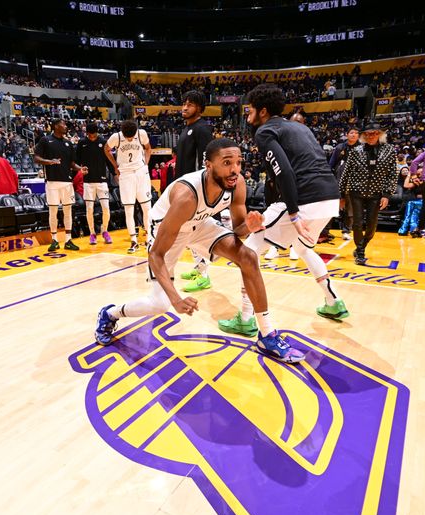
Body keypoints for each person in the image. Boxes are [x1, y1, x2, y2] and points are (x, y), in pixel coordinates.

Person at [94, 138, 304, 363]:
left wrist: (250, 227)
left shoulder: (237, 183)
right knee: (159, 304)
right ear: (209, 165)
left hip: (199, 224)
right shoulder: (187, 196)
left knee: (248, 257)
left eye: (238, 162)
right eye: (227, 163)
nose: (234, 170)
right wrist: (175, 299)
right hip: (168, 229)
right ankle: (110, 313)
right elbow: (156, 255)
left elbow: (238, 231)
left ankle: (266, 335)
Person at [218, 83, 349, 335]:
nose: (247, 115)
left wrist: (293, 212)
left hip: (304, 198)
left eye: (251, 110)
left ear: (263, 111)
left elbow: (285, 171)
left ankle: (246, 318)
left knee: (248, 252)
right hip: (329, 196)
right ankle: (333, 302)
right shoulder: (300, 127)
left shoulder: (265, 131)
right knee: (303, 247)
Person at [339, 121, 397, 265]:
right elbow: (346, 174)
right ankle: (360, 252)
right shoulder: (355, 152)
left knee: (372, 226)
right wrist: (341, 195)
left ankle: (362, 245)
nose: (371, 136)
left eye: (375, 133)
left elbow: (392, 174)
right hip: (356, 191)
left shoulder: (389, 150)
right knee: (357, 223)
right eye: (368, 133)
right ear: (363, 135)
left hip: (376, 193)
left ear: (380, 134)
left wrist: (387, 194)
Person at [174, 90, 215, 293]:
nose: (184, 107)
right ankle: (199, 268)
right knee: (190, 230)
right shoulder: (187, 128)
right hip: (184, 186)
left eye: (189, 104)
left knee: (194, 230)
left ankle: (204, 275)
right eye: (183, 103)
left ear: (199, 108)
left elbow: (207, 162)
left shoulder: (202, 129)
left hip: (196, 189)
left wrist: (202, 189)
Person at [34, 118, 87, 252]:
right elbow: (36, 158)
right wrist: (49, 161)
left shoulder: (68, 143)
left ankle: (68, 240)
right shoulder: (45, 140)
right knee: (53, 211)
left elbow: (71, 164)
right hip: (52, 181)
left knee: (68, 211)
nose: (65, 126)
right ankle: (54, 240)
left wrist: (80, 169)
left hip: (67, 182)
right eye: (63, 124)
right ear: (56, 126)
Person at [104, 119, 152, 254]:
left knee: (147, 207)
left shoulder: (142, 133)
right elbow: (106, 149)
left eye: (132, 137)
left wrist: (146, 164)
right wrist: (115, 167)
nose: (130, 139)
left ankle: (149, 238)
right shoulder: (116, 137)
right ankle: (134, 241)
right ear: (123, 133)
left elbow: (148, 148)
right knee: (129, 209)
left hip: (141, 173)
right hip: (125, 175)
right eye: (128, 137)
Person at [75, 122, 113, 245]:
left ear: (97, 133)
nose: (92, 137)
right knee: (89, 209)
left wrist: (115, 173)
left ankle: (105, 230)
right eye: (89, 135)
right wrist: (79, 169)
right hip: (88, 182)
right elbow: (76, 161)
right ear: (87, 133)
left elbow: (108, 160)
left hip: (102, 181)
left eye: (94, 135)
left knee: (106, 208)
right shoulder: (82, 143)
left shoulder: (103, 142)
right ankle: (92, 233)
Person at [328, 126, 359, 240]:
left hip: (353, 183)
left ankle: (346, 231)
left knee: (350, 208)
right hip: (337, 181)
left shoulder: (361, 149)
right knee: (332, 207)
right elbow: (331, 164)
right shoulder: (340, 147)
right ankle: (325, 231)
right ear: (347, 135)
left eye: (356, 133)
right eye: (351, 132)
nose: (354, 135)